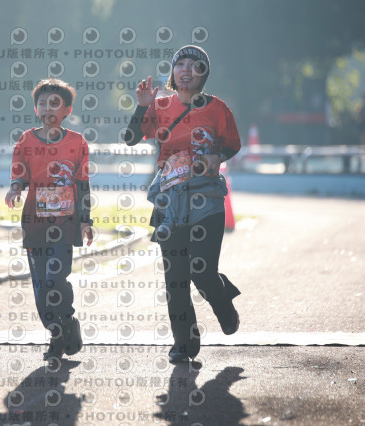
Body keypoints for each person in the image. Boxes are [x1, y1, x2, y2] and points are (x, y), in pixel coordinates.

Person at [125, 45, 241, 363]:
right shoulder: (160, 106)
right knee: (175, 278)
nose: (187, 70)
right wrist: (142, 107)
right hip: (169, 202)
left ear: (204, 74)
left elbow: (232, 144)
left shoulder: (218, 109)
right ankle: (184, 344)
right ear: (173, 72)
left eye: (195, 65)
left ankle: (222, 302)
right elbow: (130, 137)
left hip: (207, 200)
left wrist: (218, 155)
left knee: (201, 270)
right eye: (181, 64)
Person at [5, 78, 93, 361]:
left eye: (54, 103)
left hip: (65, 224)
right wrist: (15, 187)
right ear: (35, 109)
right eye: (42, 103)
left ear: (67, 110)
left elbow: (83, 183)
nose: (47, 108)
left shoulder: (77, 142)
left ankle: (67, 320)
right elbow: (19, 172)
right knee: (42, 286)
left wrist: (86, 220)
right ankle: (57, 333)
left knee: (56, 278)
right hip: (35, 225)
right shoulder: (26, 140)